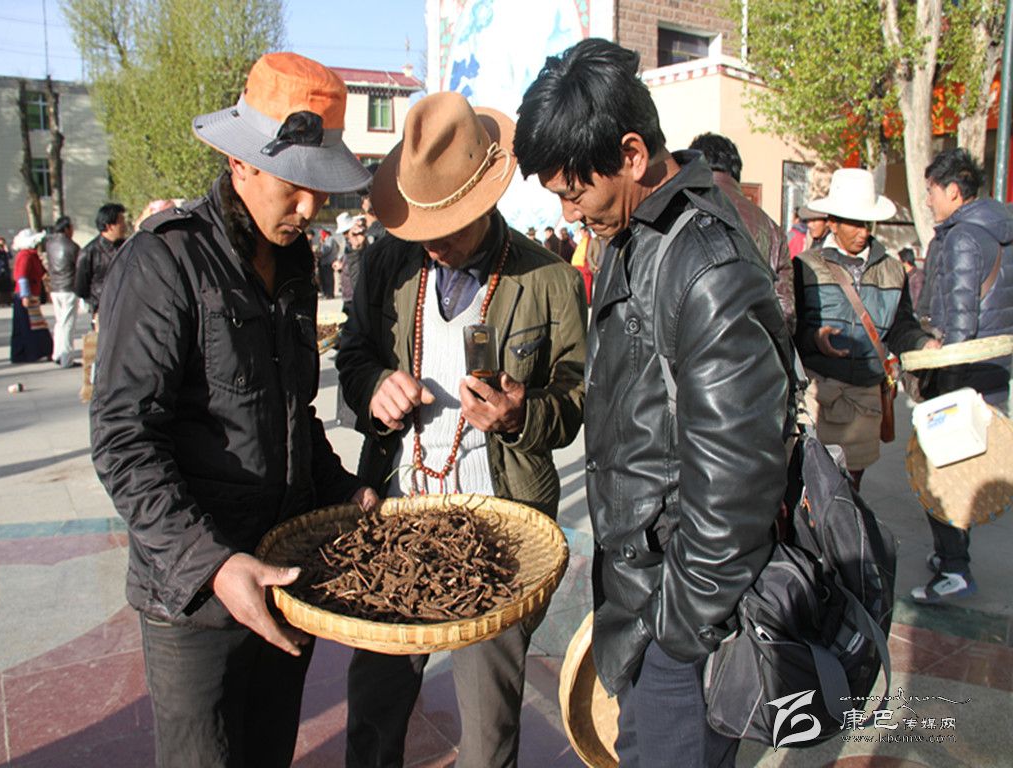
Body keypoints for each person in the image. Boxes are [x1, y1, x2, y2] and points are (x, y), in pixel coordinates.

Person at [89, 52, 378, 768]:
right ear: (240, 162)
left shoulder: (297, 266)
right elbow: (123, 439)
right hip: (194, 594)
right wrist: (213, 566)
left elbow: (293, 415)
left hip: (284, 572)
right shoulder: (165, 261)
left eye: (319, 189)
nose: (309, 208)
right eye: (293, 185)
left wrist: (345, 493)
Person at [515, 38, 790, 767]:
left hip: (685, 622)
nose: (570, 212)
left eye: (575, 192)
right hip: (649, 601)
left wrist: (675, 635)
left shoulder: (705, 266)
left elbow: (738, 483)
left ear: (632, 155)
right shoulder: (637, 235)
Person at [337, 90, 587, 768]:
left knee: (488, 730)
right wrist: (374, 387)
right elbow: (353, 355)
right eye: (422, 225)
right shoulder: (387, 264)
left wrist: (522, 414)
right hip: (397, 515)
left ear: (484, 201)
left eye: (447, 226)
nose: (433, 242)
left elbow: (575, 398)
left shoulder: (548, 280)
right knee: (374, 713)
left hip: (501, 526)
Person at [793, 168, 939, 490]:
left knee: (851, 488)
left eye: (867, 223)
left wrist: (922, 343)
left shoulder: (893, 270)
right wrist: (814, 338)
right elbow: (790, 328)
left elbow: (901, 326)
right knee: (814, 487)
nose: (862, 232)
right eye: (854, 223)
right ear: (833, 222)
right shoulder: (805, 266)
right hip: (819, 395)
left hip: (865, 400)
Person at [910, 148, 1013, 604]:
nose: (928, 200)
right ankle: (949, 555)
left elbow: (960, 321)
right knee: (965, 469)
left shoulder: (963, 238)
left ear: (954, 190)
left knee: (940, 470)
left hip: (961, 374)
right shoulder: (999, 229)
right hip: (992, 372)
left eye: (932, 190)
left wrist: (939, 365)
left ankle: (955, 569)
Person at [689, 132, 795, 333]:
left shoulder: (682, 213)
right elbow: (786, 314)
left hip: (695, 345)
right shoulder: (772, 229)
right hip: (758, 348)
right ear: (736, 172)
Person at [74, 202, 128, 318]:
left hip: (126, 308)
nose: (125, 226)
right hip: (103, 311)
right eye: (121, 222)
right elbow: (80, 288)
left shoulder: (128, 247)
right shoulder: (89, 252)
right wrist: (96, 306)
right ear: (109, 226)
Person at [10, 228, 53, 363]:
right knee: (29, 326)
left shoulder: (31, 255)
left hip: (30, 294)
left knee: (29, 325)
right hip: (26, 295)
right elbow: (22, 276)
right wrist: (25, 295)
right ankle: (30, 353)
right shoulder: (25, 256)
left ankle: (26, 353)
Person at [44, 216, 81, 368]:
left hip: (55, 288)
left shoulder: (50, 244)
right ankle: (66, 358)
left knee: (60, 323)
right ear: (66, 229)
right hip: (68, 287)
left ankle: (57, 353)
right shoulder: (72, 246)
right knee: (68, 324)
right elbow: (79, 267)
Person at [898, 246, 925, 312]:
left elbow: (917, 298)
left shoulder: (917, 276)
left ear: (905, 262)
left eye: (900, 261)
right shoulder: (904, 275)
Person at [0, 236, 13, 307]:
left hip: (6, 271)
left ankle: (8, 301)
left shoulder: (5, 251)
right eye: (0, 244)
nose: (1, 245)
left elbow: (10, 257)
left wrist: (7, 250)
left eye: (2, 243)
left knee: (7, 287)